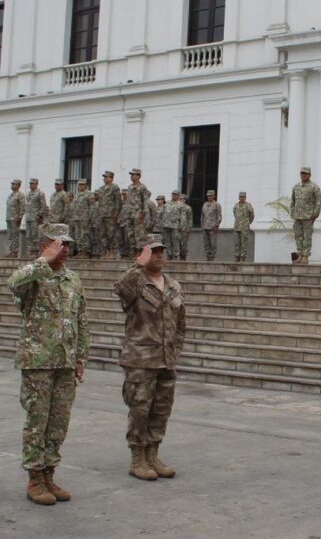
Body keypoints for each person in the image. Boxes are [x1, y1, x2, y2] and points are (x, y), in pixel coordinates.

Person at [8, 224, 89, 506]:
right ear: (44, 246)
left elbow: (81, 320)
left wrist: (80, 357)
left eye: (67, 245)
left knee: (58, 423)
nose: (64, 250)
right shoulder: (34, 276)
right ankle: (34, 478)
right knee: (37, 422)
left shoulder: (72, 279)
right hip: (38, 362)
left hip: (65, 363)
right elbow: (13, 283)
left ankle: (49, 473)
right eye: (58, 244)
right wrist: (42, 261)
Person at [113, 238, 186, 481]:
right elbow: (120, 288)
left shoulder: (173, 285)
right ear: (143, 254)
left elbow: (181, 323)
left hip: (166, 360)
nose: (159, 256)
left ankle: (153, 453)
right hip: (140, 359)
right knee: (140, 410)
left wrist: (175, 350)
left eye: (161, 251)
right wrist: (137, 266)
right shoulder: (136, 283)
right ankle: (138, 457)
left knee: (161, 409)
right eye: (153, 252)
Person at [290, 167, 321, 265]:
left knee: (307, 237)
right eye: (302, 173)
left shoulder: (314, 187)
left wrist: (314, 215)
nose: (303, 175)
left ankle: (305, 256)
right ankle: (300, 255)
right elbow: (293, 201)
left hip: (308, 216)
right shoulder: (296, 187)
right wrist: (292, 213)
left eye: (306, 173)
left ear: (309, 175)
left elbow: (318, 202)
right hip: (297, 216)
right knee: (298, 236)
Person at [95, 171, 122, 258]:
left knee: (111, 234)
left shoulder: (115, 187)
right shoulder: (101, 188)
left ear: (111, 178)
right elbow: (98, 200)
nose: (105, 178)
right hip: (102, 214)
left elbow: (118, 202)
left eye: (107, 177)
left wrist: (116, 213)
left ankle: (113, 251)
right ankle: (106, 251)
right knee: (102, 234)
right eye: (104, 177)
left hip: (111, 215)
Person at [69, 179, 94, 258]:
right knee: (77, 235)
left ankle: (86, 252)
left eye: (82, 184)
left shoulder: (89, 194)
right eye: (79, 184)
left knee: (84, 234)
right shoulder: (77, 194)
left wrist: (90, 217)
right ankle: (80, 251)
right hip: (76, 218)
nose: (80, 186)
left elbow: (92, 206)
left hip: (84, 218)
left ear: (85, 185)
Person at [25, 178, 48, 256]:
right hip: (28, 217)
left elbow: (43, 206)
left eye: (32, 183)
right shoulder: (28, 194)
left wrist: (40, 216)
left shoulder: (40, 193)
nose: (31, 185)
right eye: (30, 183)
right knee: (28, 235)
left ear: (36, 184)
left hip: (35, 218)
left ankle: (35, 251)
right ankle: (30, 251)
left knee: (35, 235)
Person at [7, 179, 27, 257]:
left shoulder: (20, 195)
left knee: (15, 235)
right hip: (9, 217)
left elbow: (23, 207)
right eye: (12, 184)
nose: (12, 185)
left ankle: (15, 252)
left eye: (14, 184)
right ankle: (11, 250)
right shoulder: (10, 195)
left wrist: (20, 217)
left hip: (15, 218)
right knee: (10, 235)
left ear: (18, 185)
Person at [233, 192, 254, 262]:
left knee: (243, 243)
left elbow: (252, 214)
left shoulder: (248, 205)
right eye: (240, 197)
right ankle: (237, 257)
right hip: (237, 227)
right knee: (236, 243)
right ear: (239, 197)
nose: (241, 198)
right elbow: (234, 214)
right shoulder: (236, 205)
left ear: (245, 197)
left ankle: (242, 258)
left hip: (244, 227)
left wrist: (248, 222)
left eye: (243, 197)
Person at [163, 190, 184, 259]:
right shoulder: (167, 203)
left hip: (175, 226)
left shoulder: (180, 204)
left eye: (175, 194)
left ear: (178, 196)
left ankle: (176, 255)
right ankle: (169, 255)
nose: (173, 196)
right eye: (173, 194)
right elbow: (162, 213)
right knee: (167, 242)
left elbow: (183, 216)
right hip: (166, 225)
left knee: (175, 242)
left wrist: (182, 226)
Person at [202, 190, 222, 261]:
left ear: (214, 196)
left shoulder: (217, 204)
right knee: (206, 243)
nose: (209, 197)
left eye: (210, 195)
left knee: (213, 243)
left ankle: (212, 257)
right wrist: (202, 225)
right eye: (208, 196)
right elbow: (202, 215)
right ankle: (207, 256)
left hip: (212, 227)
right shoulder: (205, 204)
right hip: (205, 227)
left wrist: (216, 225)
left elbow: (219, 216)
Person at [178, 191, 193, 261]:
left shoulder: (188, 208)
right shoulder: (176, 207)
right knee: (175, 244)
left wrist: (188, 229)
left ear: (185, 200)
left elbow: (190, 219)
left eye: (181, 199)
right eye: (179, 199)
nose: (180, 200)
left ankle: (183, 258)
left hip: (184, 229)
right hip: (175, 228)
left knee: (183, 245)